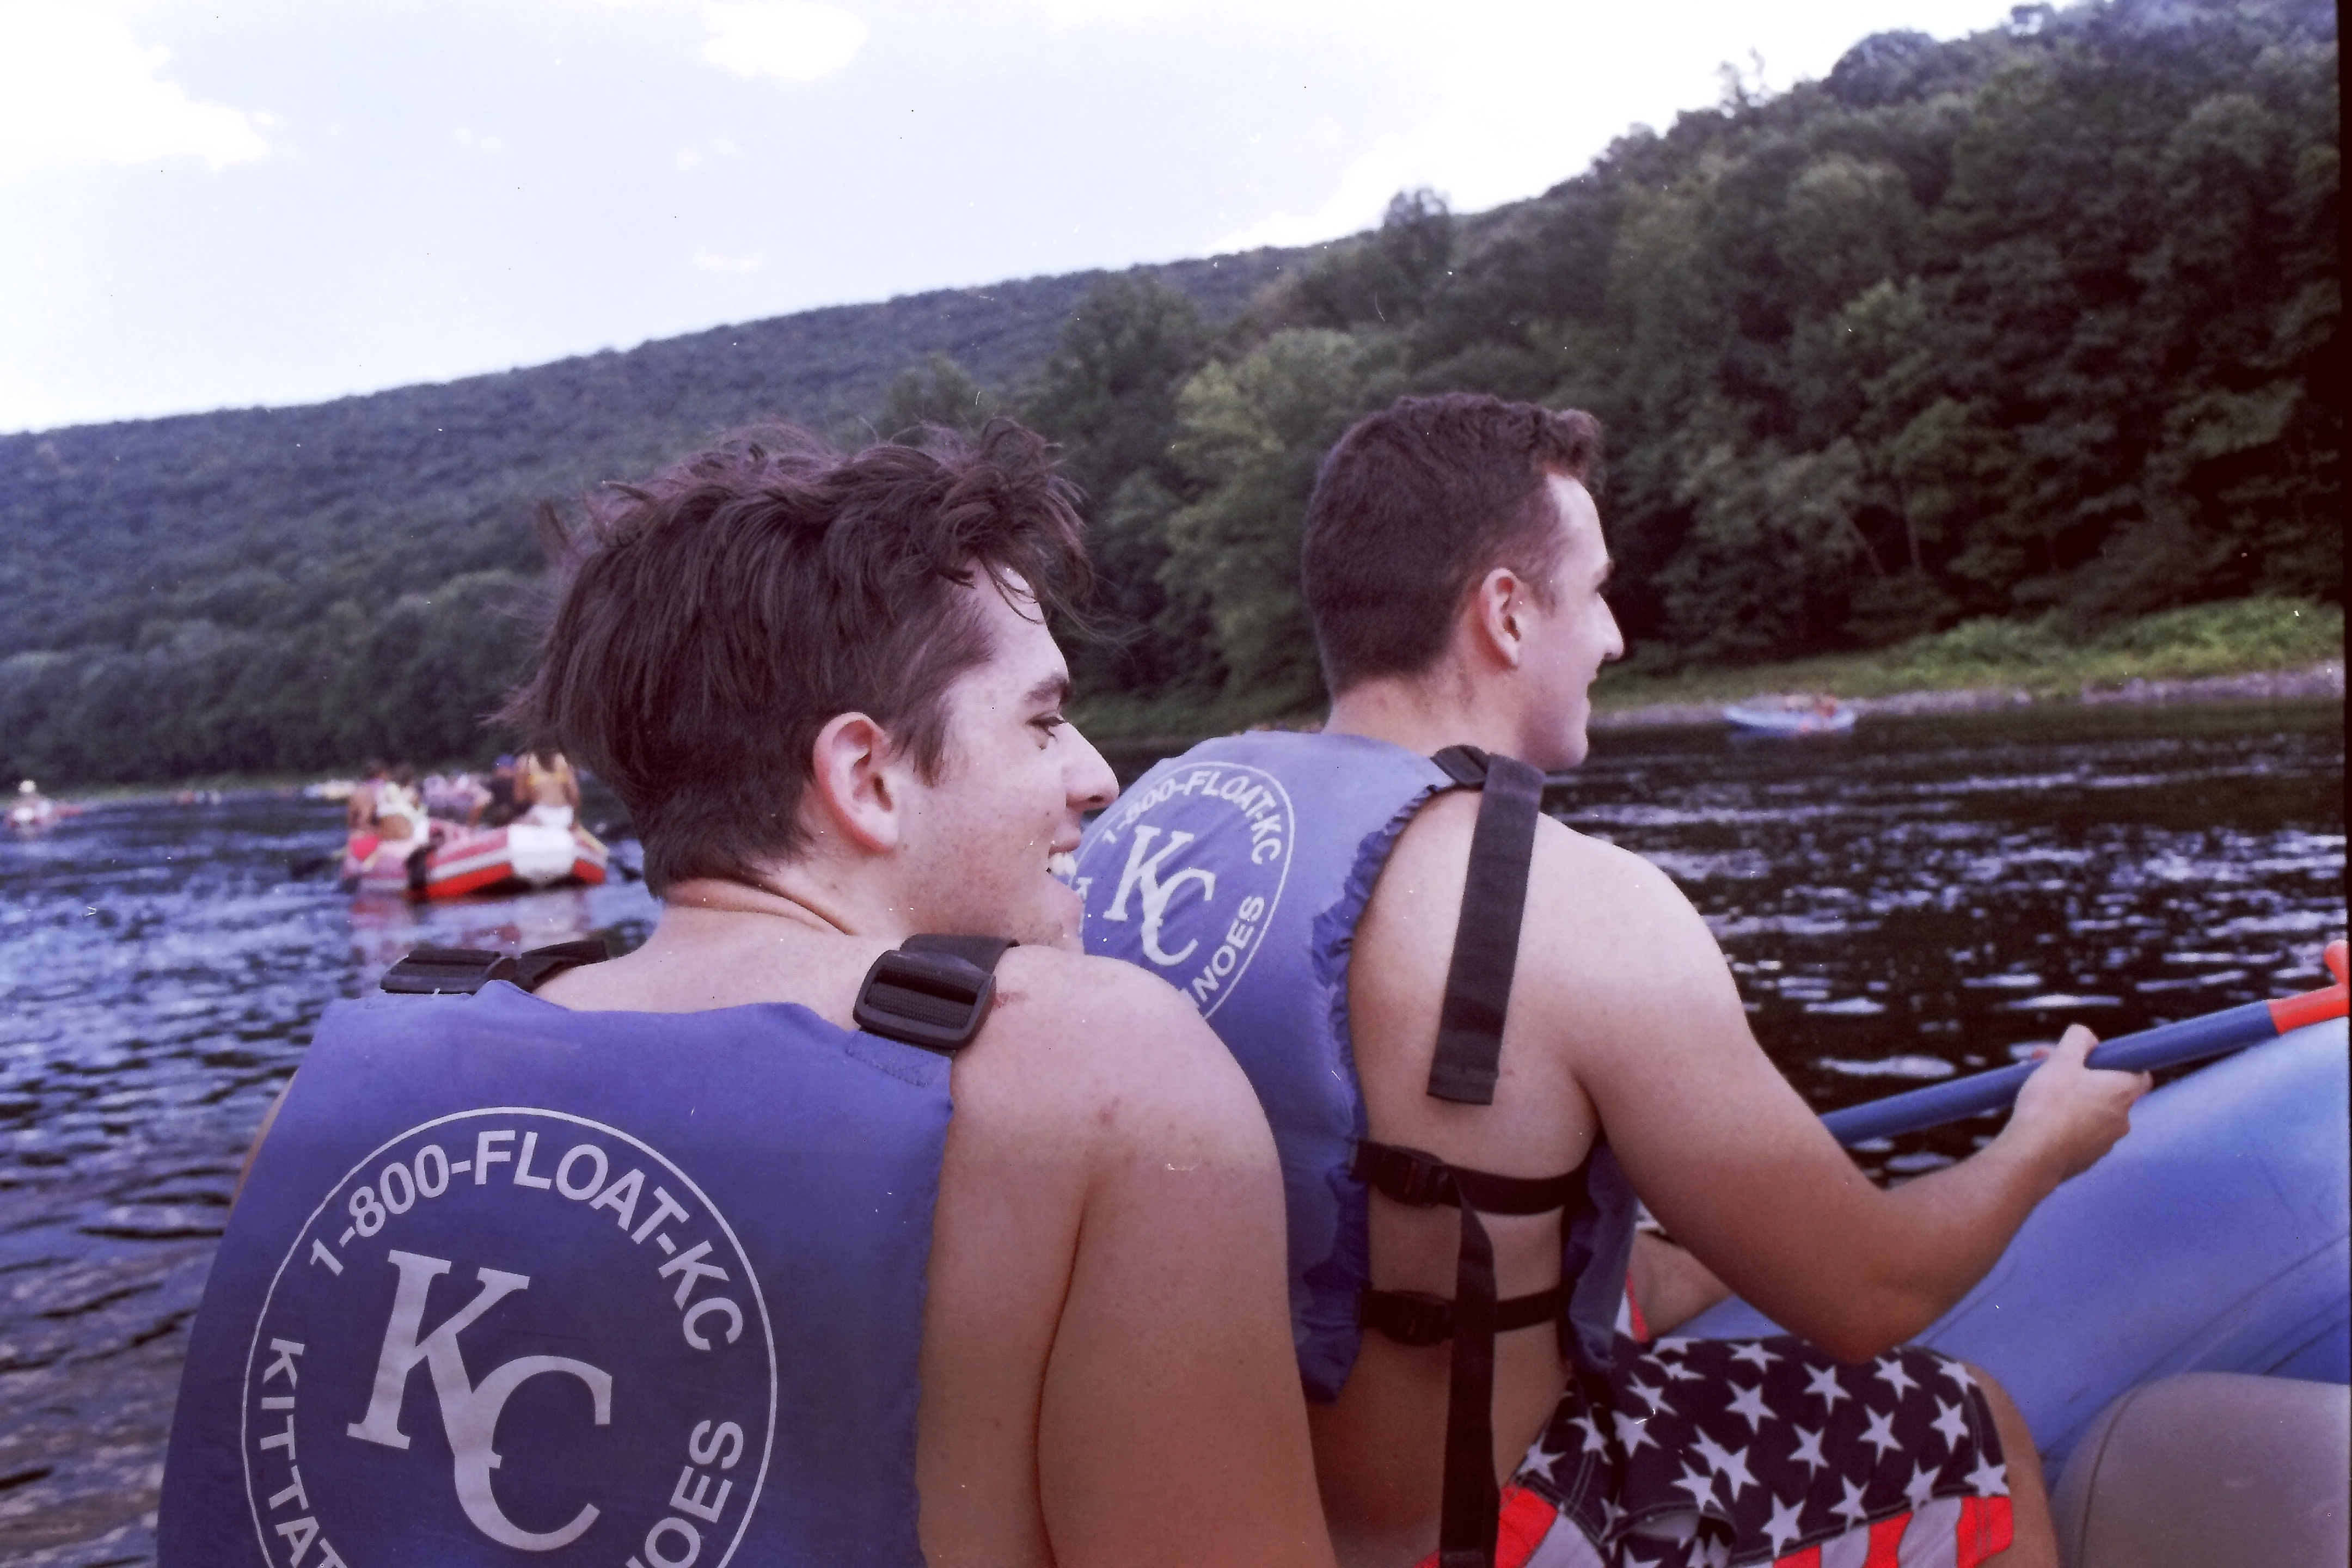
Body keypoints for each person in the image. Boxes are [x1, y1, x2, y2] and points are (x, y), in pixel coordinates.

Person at [158, 420, 1334, 1568]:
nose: (1097, 775)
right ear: (867, 778)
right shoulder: (1114, 1081)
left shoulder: (328, 1101)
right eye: (1044, 721)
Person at [1071, 394, 2148, 1568]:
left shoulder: (1140, 841)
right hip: (1465, 1540)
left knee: (1621, 1269)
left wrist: (1711, 1235)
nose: (1615, 637)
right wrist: (2040, 1144)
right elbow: (1870, 1297)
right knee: (1972, 1425)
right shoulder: (1582, 905)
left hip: (1211, 1524)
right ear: (1506, 614)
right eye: (1593, 593)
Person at [518, 746, 581, 827]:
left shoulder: (525, 763)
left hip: (539, 815)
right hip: (565, 815)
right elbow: (575, 796)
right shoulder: (564, 761)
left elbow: (520, 798)